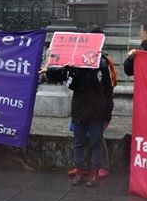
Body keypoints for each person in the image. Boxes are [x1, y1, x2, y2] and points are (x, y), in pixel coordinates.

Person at [44, 50, 115, 188]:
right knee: (78, 142)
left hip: (97, 111)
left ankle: (94, 171)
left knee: (96, 142)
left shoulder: (102, 65)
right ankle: (79, 170)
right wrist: (70, 70)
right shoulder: (75, 66)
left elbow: (108, 90)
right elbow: (68, 82)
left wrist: (107, 113)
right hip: (80, 110)